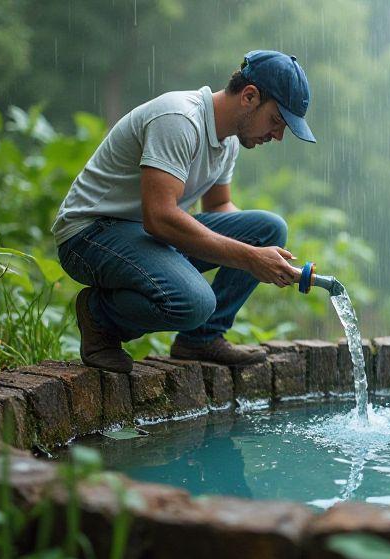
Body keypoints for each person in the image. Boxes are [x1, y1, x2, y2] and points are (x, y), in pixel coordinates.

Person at [52, 50, 316, 374]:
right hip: (91, 234)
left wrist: (260, 253)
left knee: (268, 229)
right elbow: (160, 218)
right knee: (195, 302)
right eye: (276, 121)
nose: (277, 136)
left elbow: (219, 208)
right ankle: (99, 316)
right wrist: (248, 257)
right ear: (249, 96)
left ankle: (201, 339)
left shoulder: (227, 140)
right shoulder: (180, 119)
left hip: (142, 237)